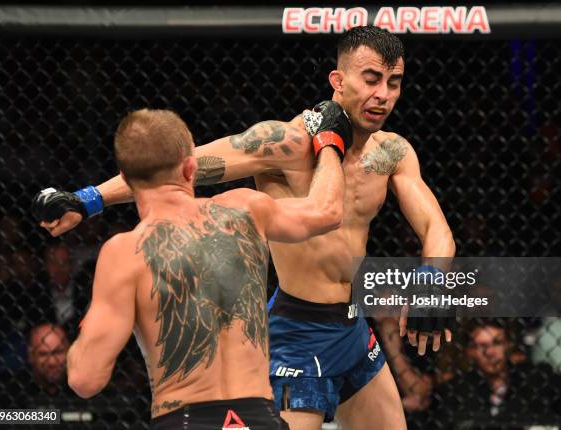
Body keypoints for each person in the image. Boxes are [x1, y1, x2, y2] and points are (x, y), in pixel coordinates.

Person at [34, 26, 454, 429]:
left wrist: (433, 276)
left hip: (353, 326)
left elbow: (436, 226)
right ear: (338, 81)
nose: (383, 94)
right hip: (296, 333)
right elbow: (177, 165)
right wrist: (88, 199)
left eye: (394, 82)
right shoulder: (287, 144)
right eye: (372, 79)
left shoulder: (392, 152)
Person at [60, 108, 346, 429]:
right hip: (259, 417)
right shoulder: (245, 210)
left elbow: (85, 379)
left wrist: (89, 326)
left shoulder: (125, 253)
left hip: (184, 419)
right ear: (191, 167)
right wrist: (330, 142)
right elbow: (328, 210)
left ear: (125, 179)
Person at [428, 320, 561, 430]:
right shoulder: (457, 389)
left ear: (508, 345)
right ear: (470, 351)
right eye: (481, 346)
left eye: (497, 343)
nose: (490, 352)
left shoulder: (536, 378)